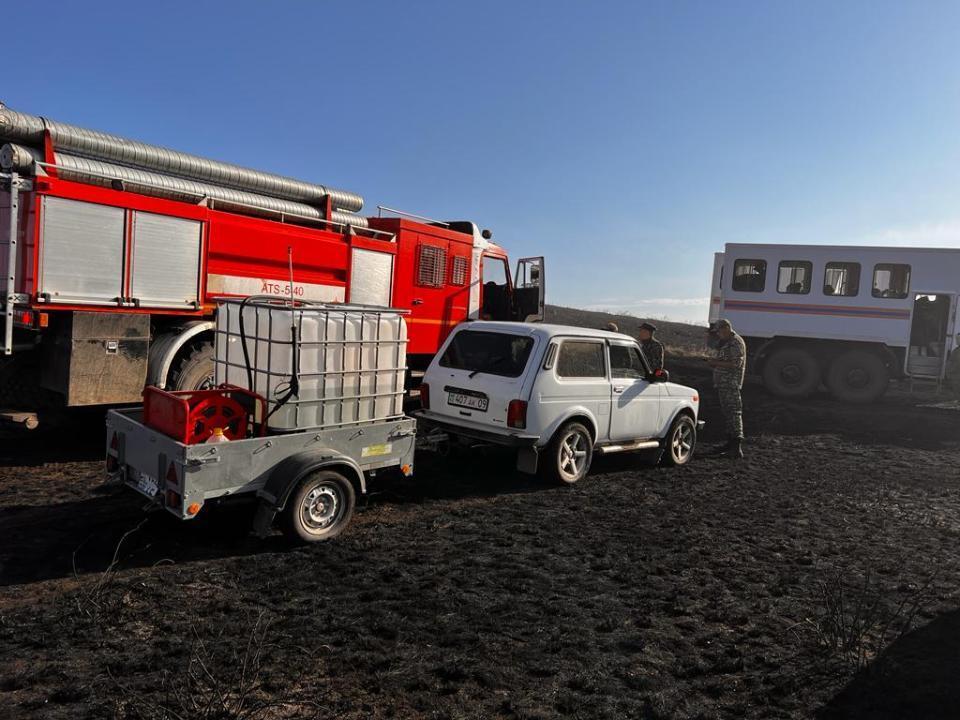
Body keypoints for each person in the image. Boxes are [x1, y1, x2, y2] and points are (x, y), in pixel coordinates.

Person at [706, 318, 746, 459]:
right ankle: (730, 444)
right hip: (724, 383)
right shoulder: (727, 342)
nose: (718, 334)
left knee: (734, 413)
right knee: (728, 413)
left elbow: (736, 364)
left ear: (726, 328)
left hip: (731, 383)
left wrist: (715, 363)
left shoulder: (735, 343)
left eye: (719, 331)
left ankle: (736, 448)